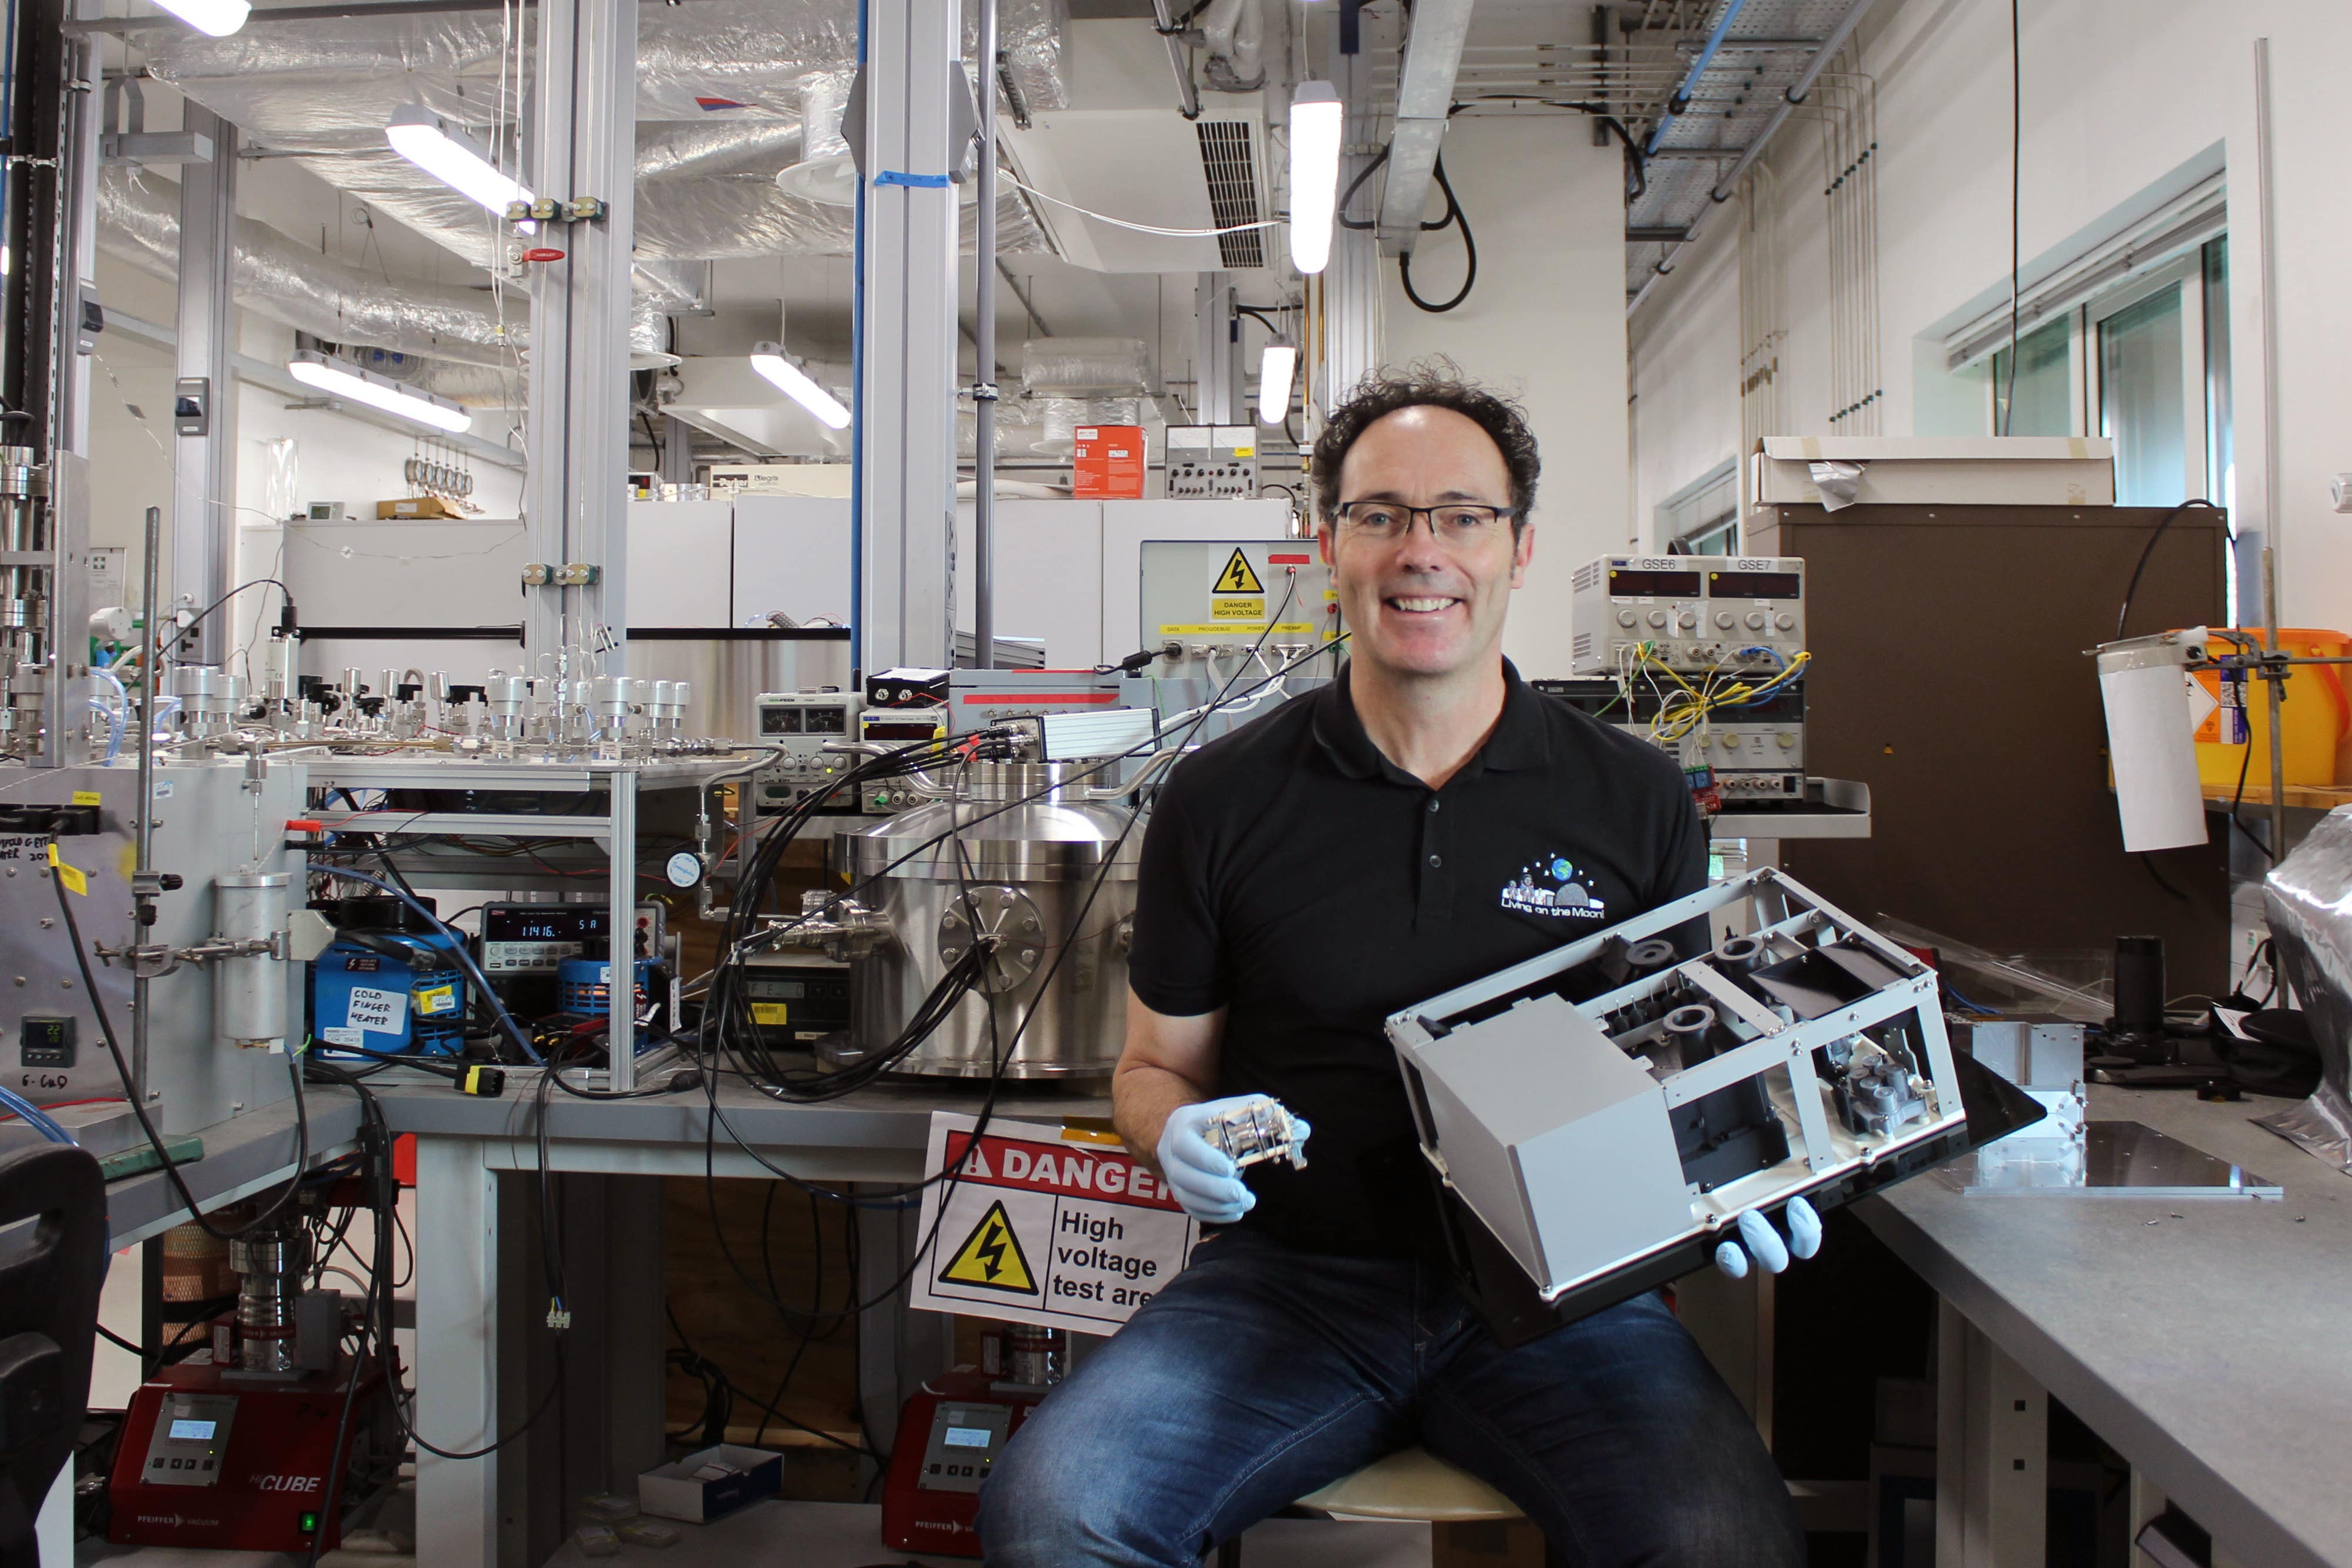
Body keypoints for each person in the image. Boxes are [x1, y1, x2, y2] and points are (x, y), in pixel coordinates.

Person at [978, 365, 1812, 1567]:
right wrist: (1170, 1134)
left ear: (1517, 547)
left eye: (1461, 516)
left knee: (1720, 1549)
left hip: (1564, 1295)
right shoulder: (1219, 800)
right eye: (1380, 515)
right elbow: (1155, 1063)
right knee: (1053, 1514)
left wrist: (1747, 1175)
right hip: (1287, 1283)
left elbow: (1682, 1077)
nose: (1421, 552)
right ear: (1330, 545)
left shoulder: (1630, 799)